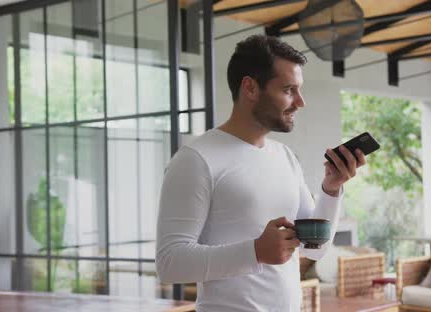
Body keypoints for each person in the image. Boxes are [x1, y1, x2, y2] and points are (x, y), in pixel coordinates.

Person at [155, 35, 367, 311]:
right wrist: (254, 252)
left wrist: (331, 188)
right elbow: (170, 263)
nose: (300, 102)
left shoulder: (285, 157)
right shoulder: (196, 159)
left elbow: (313, 248)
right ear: (250, 88)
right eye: (289, 90)